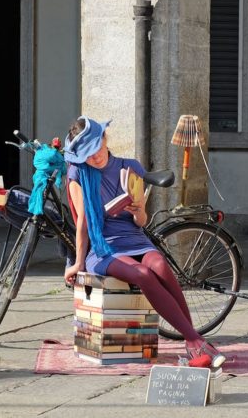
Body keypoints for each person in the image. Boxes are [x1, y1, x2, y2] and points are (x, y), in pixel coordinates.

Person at [63, 116, 225, 369]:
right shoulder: (78, 173)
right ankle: (195, 340)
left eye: (96, 149)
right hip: (104, 246)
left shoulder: (131, 167)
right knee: (142, 274)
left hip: (134, 238)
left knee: (159, 264)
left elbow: (141, 222)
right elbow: (83, 222)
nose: (94, 158)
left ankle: (193, 341)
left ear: (105, 139)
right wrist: (78, 263)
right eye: (87, 154)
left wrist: (138, 210)